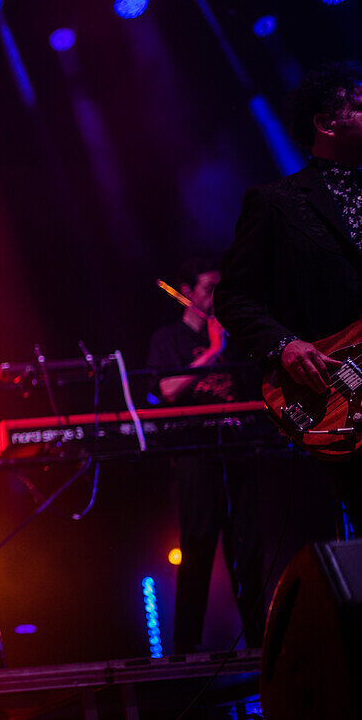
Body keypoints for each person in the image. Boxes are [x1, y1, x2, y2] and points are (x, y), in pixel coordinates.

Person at [215, 61, 362, 530]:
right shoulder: (276, 202)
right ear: (326, 124)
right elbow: (233, 297)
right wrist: (285, 346)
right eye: (359, 105)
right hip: (342, 395)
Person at [148, 259, 265, 653]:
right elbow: (168, 389)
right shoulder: (169, 338)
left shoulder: (234, 337)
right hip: (196, 453)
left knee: (247, 549)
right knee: (197, 547)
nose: (216, 297)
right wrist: (213, 352)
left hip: (238, 452)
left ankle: (260, 646)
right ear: (187, 292)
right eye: (210, 289)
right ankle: (185, 653)